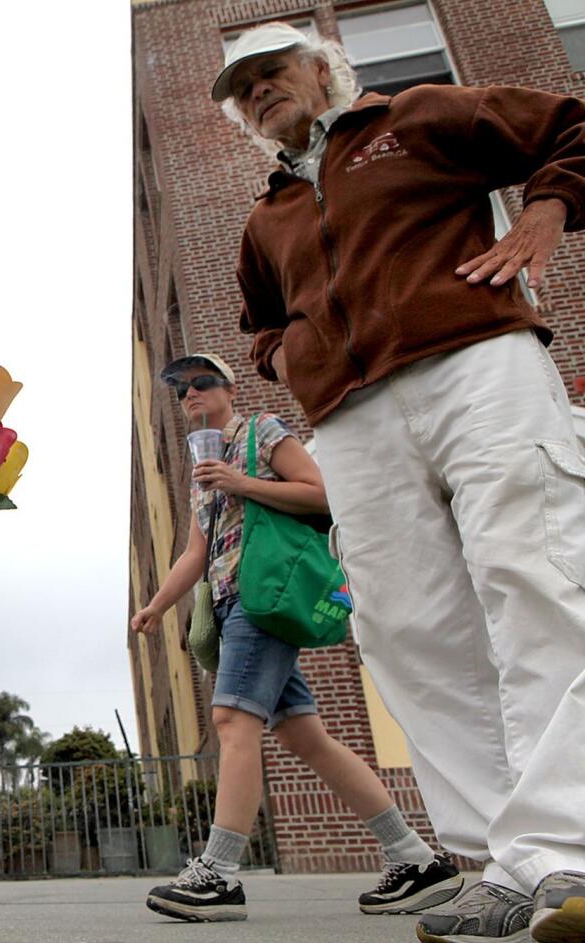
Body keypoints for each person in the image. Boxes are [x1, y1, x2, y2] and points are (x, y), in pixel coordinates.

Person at [217, 21, 585, 943]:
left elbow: (572, 127)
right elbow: (262, 323)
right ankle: (502, 861)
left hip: (476, 364)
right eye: (244, 88)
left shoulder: (416, 118)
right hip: (351, 415)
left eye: (273, 72)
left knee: (531, 574)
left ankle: (567, 848)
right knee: (403, 626)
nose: (261, 90)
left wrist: (548, 212)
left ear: (322, 68)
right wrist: (290, 358)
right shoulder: (267, 219)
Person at [130, 353, 461, 923]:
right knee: (307, 737)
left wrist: (242, 482)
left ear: (229, 388)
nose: (190, 395)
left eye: (201, 383)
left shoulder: (263, 433)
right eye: (181, 390)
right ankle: (416, 860)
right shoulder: (199, 471)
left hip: (266, 597)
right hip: (236, 599)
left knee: (233, 721)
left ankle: (219, 874)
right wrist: (157, 607)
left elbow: (324, 495)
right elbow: (196, 551)